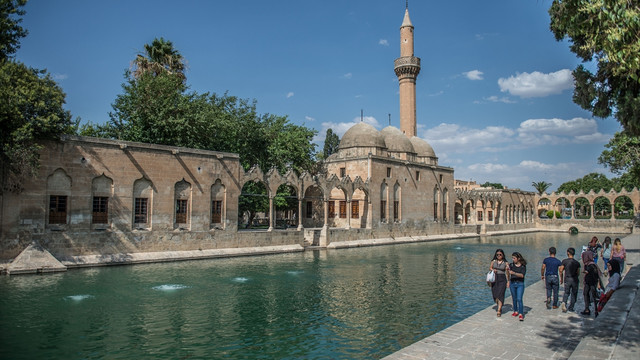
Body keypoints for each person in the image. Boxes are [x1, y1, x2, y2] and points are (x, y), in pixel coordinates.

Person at [581, 251, 604, 316]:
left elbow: (592, 273)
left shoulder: (590, 265)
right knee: (589, 295)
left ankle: (590, 309)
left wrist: (586, 272)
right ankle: (591, 309)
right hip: (592, 282)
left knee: (589, 295)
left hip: (590, 282)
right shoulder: (592, 264)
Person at [489, 248, 510, 317]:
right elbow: (490, 268)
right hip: (494, 278)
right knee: (495, 294)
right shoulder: (493, 261)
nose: (498, 256)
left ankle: (499, 309)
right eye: (497, 254)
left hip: (502, 279)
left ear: (503, 255)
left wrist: (508, 281)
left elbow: (507, 273)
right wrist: (493, 269)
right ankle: (499, 304)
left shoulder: (505, 263)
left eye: (500, 254)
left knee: (501, 294)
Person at [559, 247, 581, 313]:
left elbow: (560, 270)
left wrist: (562, 278)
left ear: (568, 253)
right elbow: (578, 273)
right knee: (574, 293)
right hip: (574, 279)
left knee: (566, 292)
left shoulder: (564, 261)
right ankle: (571, 307)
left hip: (567, 279)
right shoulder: (577, 263)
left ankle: (564, 302)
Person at [509, 252, 527, 321]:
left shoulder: (523, 266)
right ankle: (515, 311)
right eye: (512, 258)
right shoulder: (511, 265)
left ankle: (521, 313)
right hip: (512, 283)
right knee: (514, 298)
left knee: (519, 298)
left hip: (520, 283)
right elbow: (508, 273)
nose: (513, 259)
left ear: (518, 259)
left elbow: (522, 275)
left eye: (514, 258)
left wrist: (514, 273)